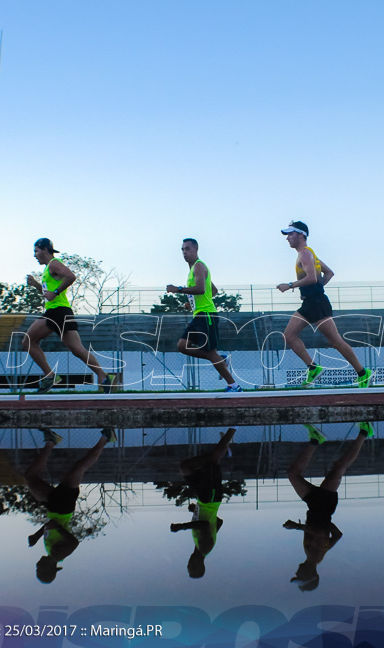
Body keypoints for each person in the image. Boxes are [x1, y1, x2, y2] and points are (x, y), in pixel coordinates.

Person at [276, 222, 373, 388]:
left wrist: (290, 285)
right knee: (289, 336)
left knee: (335, 341)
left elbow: (312, 278)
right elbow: (329, 273)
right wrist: (315, 290)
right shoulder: (309, 253)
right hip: (312, 302)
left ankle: (363, 373)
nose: (288, 238)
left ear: (301, 235)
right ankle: (313, 368)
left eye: (290, 234)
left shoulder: (305, 254)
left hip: (316, 303)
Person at [283, 421, 374, 591]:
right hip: (321, 506)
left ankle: (317, 440)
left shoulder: (318, 557)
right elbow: (318, 533)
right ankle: (364, 432)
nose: (296, 571)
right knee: (337, 467)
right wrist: (297, 526)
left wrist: (327, 523)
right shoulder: (313, 555)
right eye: (299, 575)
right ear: (310, 575)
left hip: (321, 507)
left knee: (298, 472)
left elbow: (338, 535)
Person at [24, 427, 118, 583]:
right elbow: (73, 543)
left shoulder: (50, 551)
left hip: (55, 508)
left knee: (32, 477)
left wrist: (37, 535)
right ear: (47, 569)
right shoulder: (57, 555)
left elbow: (50, 525)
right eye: (38, 568)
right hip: (61, 507)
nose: (37, 565)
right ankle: (105, 439)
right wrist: (56, 527)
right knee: (78, 468)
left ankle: (51, 441)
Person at [23, 238, 115, 393]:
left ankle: (50, 376)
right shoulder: (47, 269)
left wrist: (57, 291)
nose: (34, 255)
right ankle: (104, 377)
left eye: (36, 251)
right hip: (61, 311)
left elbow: (71, 276)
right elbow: (49, 295)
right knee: (76, 349)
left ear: (45, 249)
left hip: (57, 312)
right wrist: (36, 285)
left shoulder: (53, 263)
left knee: (28, 341)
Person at [165, 238, 242, 393]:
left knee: (209, 351)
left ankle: (234, 386)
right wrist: (192, 303)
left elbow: (200, 288)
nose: (184, 252)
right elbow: (212, 290)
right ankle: (221, 360)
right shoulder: (193, 269)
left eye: (187, 249)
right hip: (199, 315)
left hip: (207, 316)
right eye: (182, 249)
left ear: (196, 249)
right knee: (182, 346)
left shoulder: (199, 266)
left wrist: (178, 289)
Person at [169, 428, 237, 578]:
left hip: (203, 500)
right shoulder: (205, 547)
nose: (190, 563)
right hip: (210, 499)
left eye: (189, 566)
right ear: (201, 565)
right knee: (211, 463)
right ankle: (233, 428)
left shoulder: (198, 546)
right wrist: (182, 527)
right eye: (193, 566)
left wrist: (196, 511)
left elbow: (218, 522)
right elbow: (205, 525)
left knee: (185, 468)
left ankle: (224, 452)